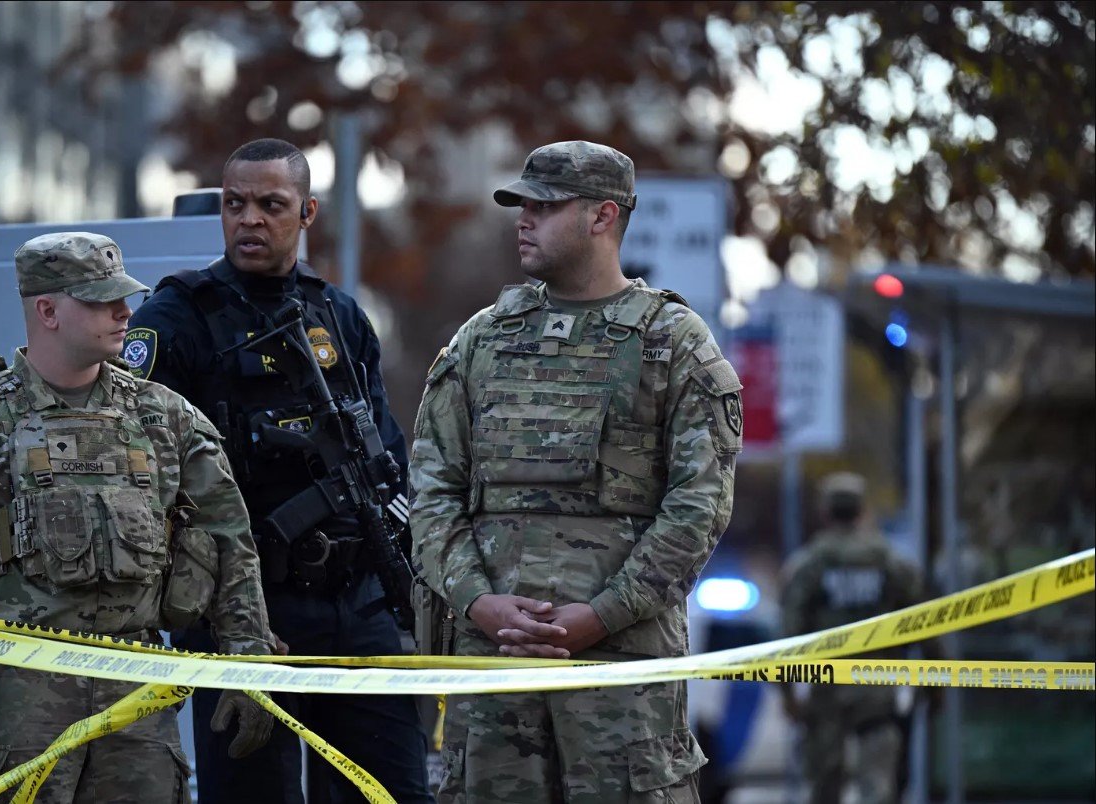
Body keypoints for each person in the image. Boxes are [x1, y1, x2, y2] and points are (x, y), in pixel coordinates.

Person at [0, 231, 275, 802]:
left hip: (136, 693)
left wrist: (248, 661)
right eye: (99, 300)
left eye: (123, 297)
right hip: (18, 698)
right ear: (47, 310)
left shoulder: (167, 420)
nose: (123, 312)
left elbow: (230, 540)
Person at [411, 140, 744, 803]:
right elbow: (431, 493)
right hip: (493, 677)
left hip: (619, 680)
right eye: (520, 205)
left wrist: (600, 615)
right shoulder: (481, 339)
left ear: (603, 216)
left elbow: (698, 506)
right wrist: (478, 601)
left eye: (545, 205)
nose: (523, 219)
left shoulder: (673, 344)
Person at [123, 138, 432, 804]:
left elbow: (386, 457)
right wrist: (224, 610)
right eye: (235, 204)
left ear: (307, 213)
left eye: (271, 204)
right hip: (244, 615)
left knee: (392, 792)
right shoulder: (177, 317)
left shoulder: (340, 316)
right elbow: (141, 480)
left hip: (356, 605)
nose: (250, 219)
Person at [780, 471, 922, 804]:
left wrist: (787, 694)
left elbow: (788, 632)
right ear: (862, 510)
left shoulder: (809, 564)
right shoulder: (891, 562)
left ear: (826, 512)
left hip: (827, 693)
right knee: (879, 787)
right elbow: (921, 621)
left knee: (826, 787)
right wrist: (935, 682)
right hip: (879, 692)